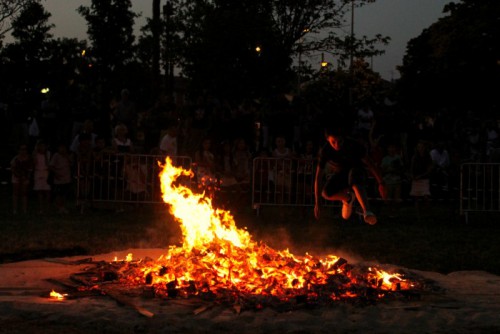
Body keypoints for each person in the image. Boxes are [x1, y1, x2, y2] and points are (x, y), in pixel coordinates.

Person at [314, 126, 386, 225]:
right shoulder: (325, 151)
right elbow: (318, 176)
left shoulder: (354, 145)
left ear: (343, 138)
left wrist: (381, 183)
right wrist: (318, 202)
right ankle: (348, 199)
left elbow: (370, 164)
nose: (337, 145)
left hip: (358, 171)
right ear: (328, 140)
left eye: (339, 141)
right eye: (333, 142)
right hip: (342, 174)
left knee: (354, 177)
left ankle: (367, 211)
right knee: (326, 193)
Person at [49, 142, 73, 214]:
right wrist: (56, 173)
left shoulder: (68, 155)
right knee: (58, 194)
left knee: (64, 194)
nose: (62, 149)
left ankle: (63, 207)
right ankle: (59, 207)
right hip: (58, 179)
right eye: (61, 147)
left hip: (66, 178)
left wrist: (67, 157)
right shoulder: (56, 155)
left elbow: (72, 164)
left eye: (64, 148)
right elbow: (51, 166)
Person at [10, 144, 34, 215]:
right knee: (15, 193)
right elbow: (12, 168)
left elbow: (30, 169)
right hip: (16, 177)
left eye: (24, 149)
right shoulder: (15, 159)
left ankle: (24, 210)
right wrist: (18, 175)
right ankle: (15, 209)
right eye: (21, 149)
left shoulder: (29, 159)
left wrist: (26, 177)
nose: (23, 151)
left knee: (24, 193)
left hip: (25, 177)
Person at [32, 139, 52, 214]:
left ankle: (48, 208)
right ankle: (41, 208)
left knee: (47, 191)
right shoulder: (35, 153)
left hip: (45, 172)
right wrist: (35, 153)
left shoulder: (48, 153)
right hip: (38, 172)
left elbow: (48, 164)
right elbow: (34, 163)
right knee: (39, 191)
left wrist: (45, 155)